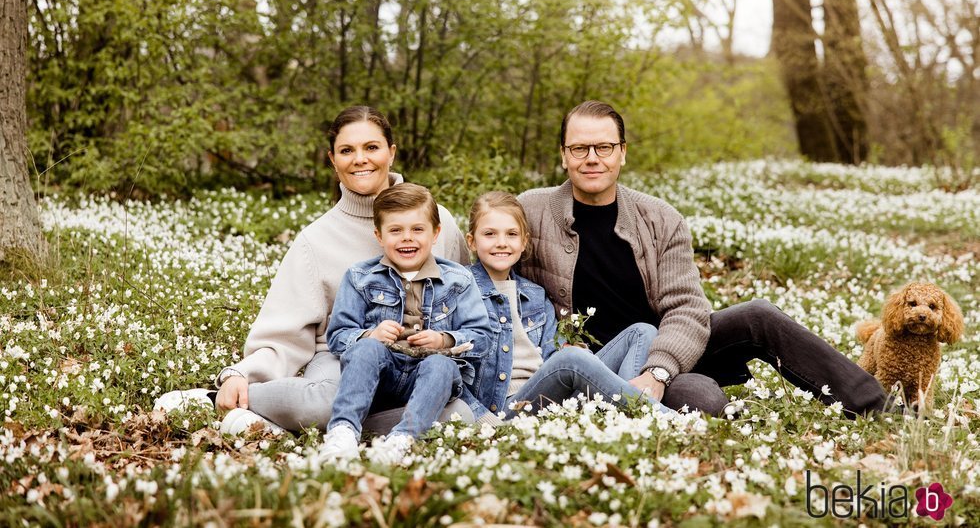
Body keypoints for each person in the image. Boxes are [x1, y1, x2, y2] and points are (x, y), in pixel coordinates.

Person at [517, 100, 889, 417]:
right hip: (594, 363)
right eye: (580, 149)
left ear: (623, 152)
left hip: (666, 351)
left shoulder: (660, 218)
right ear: (564, 156)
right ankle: (648, 401)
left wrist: (658, 371)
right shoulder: (529, 211)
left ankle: (880, 408)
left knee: (758, 314)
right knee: (705, 400)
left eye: (604, 147)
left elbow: (686, 307)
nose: (592, 159)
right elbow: (486, 274)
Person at [154, 106, 472, 434]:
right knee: (329, 403)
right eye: (347, 150)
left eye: (372, 147)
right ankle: (218, 400)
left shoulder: (439, 222)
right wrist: (240, 375)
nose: (360, 159)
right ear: (333, 161)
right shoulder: (315, 240)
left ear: (391, 153)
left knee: (460, 415)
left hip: (418, 362)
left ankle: (321, 427)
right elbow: (283, 334)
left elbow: (468, 299)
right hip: (340, 359)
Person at [460, 191, 672, 424]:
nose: (501, 242)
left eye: (511, 234)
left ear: (524, 242)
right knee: (571, 358)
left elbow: (553, 354)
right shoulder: (459, 291)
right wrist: (483, 420)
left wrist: (575, 354)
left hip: (554, 399)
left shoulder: (534, 294)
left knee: (643, 331)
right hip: (506, 409)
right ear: (471, 241)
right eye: (489, 234)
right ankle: (663, 418)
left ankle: (625, 416)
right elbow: (453, 374)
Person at [319, 183, 491, 464]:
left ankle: (402, 440)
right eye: (395, 230)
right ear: (379, 235)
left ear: (436, 233)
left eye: (417, 229)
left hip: (429, 381)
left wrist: (444, 340)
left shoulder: (458, 279)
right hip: (380, 378)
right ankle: (343, 432)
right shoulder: (360, 277)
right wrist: (369, 335)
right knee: (366, 349)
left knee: (441, 364)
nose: (406, 239)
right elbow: (337, 335)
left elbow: (481, 337)